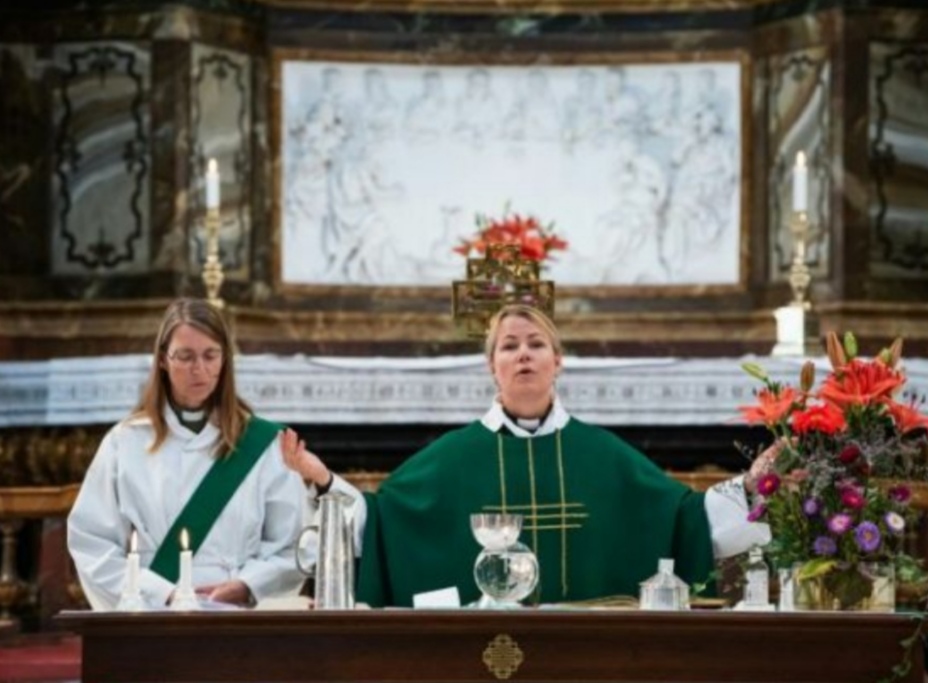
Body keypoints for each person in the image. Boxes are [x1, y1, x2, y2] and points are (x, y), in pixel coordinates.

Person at [285, 304, 773, 607]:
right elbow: (382, 520)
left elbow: (684, 518)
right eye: (509, 346)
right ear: (491, 366)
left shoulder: (603, 454)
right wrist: (325, 479)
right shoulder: (451, 458)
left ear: (557, 362)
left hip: (586, 654)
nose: (523, 354)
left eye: (536, 344)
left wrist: (754, 486)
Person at [67, 298, 355, 610]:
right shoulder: (125, 442)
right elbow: (91, 542)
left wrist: (247, 585)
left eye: (210, 355)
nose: (199, 370)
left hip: (238, 614)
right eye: (185, 356)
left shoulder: (262, 443)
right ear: (163, 359)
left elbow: (293, 544)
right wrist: (159, 593)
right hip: (152, 613)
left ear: (224, 360)